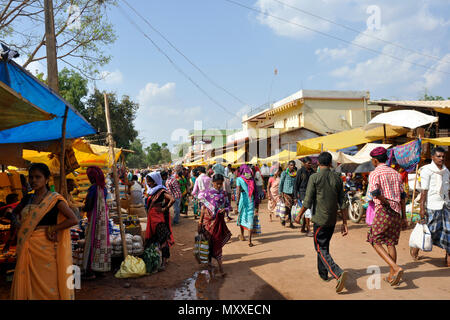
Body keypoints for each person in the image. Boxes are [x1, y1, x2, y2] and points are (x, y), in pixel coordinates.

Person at [7, 163, 78, 299]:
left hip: (45, 249)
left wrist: (53, 228)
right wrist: (18, 225)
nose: (33, 180)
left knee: (48, 283)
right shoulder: (27, 198)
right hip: (27, 248)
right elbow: (14, 213)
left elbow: (73, 219)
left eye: (38, 177)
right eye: (31, 177)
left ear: (46, 179)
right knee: (30, 283)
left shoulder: (55, 199)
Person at [295, 152, 349, 293]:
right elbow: (343, 202)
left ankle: (337, 272)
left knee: (320, 248)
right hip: (332, 220)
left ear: (318, 163)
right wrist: (344, 223)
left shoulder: (315, 177)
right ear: (331, 163)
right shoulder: (337, 178)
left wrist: (299, 215)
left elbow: (308, 200)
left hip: (320, 219)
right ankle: (323, 274)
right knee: (324, 246)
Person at [366, 147, 407, 286]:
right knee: (390, 242)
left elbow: (375, 193)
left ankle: (396, 268)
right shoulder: (396, 173)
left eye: (372, 159)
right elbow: (403, 197)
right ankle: (391, 276)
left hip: (384, 210)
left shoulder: (374, 173)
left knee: (374, 240)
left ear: (375, 160)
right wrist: (404, 217)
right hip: (397, 212)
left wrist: (386, 203)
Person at [410, 147, 449, 266]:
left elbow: (448, 189)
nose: (441, 158)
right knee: (429, 231)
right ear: (432, 157)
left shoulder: (446, 171)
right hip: (432, 206)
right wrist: (422, 208)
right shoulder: (427, 170)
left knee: (448, 231)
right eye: (438, 156)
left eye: (443, 156)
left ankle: (447, 257)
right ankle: (416, 247)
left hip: (446, 205)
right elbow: (424, 191)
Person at [198, 174, 232, 277]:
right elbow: (203, 208)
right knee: (208, 243)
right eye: (217, 184)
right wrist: (200, 222)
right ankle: (209, 263)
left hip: (219, 222)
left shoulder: (224, 194)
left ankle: (221, 269)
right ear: (212, 183)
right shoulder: (207, 194)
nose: (219, 186)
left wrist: (225, 210)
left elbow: (229, 206)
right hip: (208, 222)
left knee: (217, 243)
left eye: (221, 184)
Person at [82, 166, 112, 280]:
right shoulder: (103, 189)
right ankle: (100, 269)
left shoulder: (93, 189)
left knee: (91, 241)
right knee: (101, 242)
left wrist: (83, 208)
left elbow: (89, 205)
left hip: (94, 219)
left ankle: (90, 271)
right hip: (102, 219)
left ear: (92, 177)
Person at [145, 172, 175, 270]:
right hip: (151, 219)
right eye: (147, 181)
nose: (148, 183)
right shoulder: (151, 191)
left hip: (159, 219)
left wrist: (164, 209)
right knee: (153, 240)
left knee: (163, 240)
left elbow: (172, 199)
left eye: (150, 181)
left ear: (155, 181)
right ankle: (155, 260)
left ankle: (164, 262)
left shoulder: (161, 191)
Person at [236, 165, 259, 247]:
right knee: (250, 218)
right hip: (251, 201)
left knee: (242, 216)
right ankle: (249, 241)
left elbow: (238, 192)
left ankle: (242, 235)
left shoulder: (239, 179)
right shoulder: (251, 179)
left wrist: (237, 203)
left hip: (243, 201)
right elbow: (255, 191)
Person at [296, 157, 315, 236]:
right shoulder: (300, 172)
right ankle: (308, 230)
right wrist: (295, 196)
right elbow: (296, 184)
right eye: (308, 163)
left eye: (311, 163)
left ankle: (303, 228)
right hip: (303, 193)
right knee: (307, 211)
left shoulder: (313, 172)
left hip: (311, 194)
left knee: (307, 211)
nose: (310, 165)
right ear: (304, 163)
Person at [279, 160, 297, 228]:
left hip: (293, 193)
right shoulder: (284, 173)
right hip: (286, 192)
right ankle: (283, 217)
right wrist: (280, 193)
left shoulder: (295, 174)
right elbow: (281, 183)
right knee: (287, 207)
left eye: (293, 165)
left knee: (292, 208)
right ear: (288, 166)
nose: (292, 166)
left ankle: (290, 223)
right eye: (291, 165)